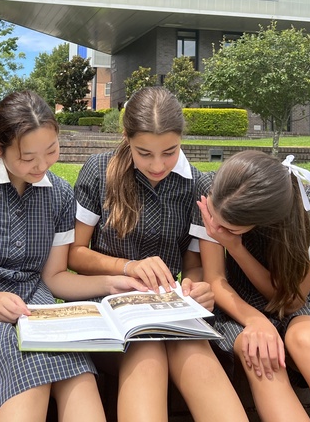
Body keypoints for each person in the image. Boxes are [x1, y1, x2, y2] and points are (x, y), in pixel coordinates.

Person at [0, 90, 144, 422]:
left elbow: (55, 278)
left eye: (51, 150)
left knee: (79, 374)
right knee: (31, 372)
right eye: (28, 158)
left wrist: (113, 283)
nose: (41, 165)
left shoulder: (60, 194)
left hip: (34, 306)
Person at [69, 86, 248, 422]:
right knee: (148, 351)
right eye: (144, 153)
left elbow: (193, 266)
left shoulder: (197, 185)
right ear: (126, 138)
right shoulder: (98, 170)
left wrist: (196, 288)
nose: (157, 165)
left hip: (167, 310)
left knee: (195, 353)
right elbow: (74, 255)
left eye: (169, 152)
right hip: (105, 306)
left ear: (181, 139)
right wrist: (128, 267)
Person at [194, 150, 310, 422]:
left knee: (307, 340)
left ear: (263, 221)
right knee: (260, 353)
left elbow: (291, 302)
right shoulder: (212, 190)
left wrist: (235, 247)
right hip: (237, 306)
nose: (215, 226)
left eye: (229, 227)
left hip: (302, 304)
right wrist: (256, 321)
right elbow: (215, 280)